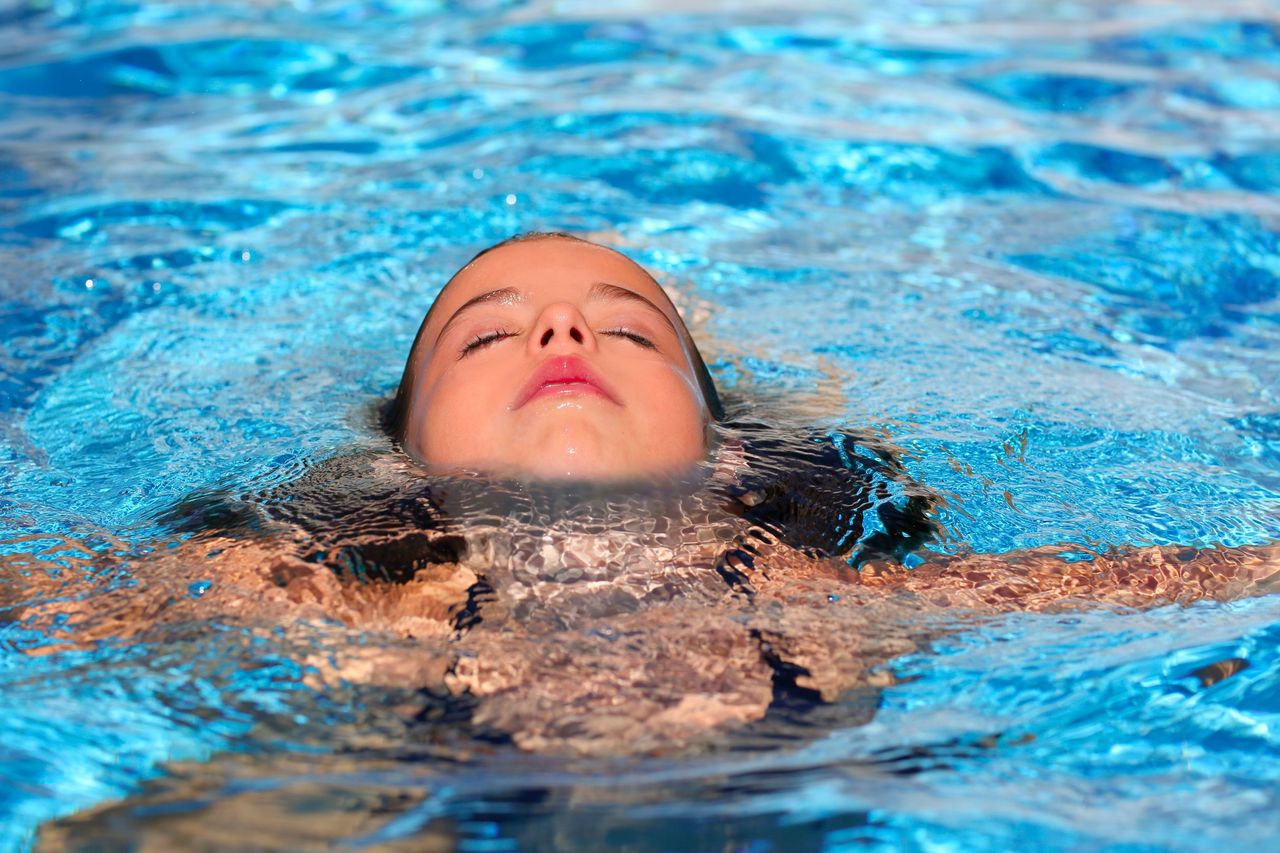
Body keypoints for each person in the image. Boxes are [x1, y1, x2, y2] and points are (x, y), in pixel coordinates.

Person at [6, 232, 1279, 755]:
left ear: (723, 451)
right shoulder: (317, 600)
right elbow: (53, 604)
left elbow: (1165, 584)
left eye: (629, 332)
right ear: (400, 458)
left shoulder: (823, 601)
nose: (560, 325)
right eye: (485, 336)